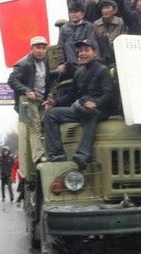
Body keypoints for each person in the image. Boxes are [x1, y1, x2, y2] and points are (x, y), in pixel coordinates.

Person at [43, 39, 115, 170]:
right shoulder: (79, 72)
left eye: (86, 50)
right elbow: (71, 96)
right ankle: (57, 154)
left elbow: (109, 94)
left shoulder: (103, 70)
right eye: (80, 51)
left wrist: (96, 103)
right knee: (50, 115)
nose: (82, 53)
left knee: (89, 113)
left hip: (99, 109)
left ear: (95, 53)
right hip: (81, 107)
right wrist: (55, 102)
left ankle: (83, 154)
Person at [8, 35, 55, 163]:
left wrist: (59, 71)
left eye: (43, 48)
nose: (41, 50)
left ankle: (50, 152)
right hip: (26, 101)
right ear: (32, 48)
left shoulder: (45, 61)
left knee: (46, 125)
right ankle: (38, 157)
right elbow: (11, 80)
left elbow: (45, 76)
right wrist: (27, 91)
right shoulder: (23, 64)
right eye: (38, 47)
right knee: (34, 127)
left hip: (40, 101)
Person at [57, 4, 95, 74]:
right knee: (68, 44)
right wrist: (61, 63)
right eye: (71, 12)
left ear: (82, 14)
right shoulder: (63, 28)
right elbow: (60, 46)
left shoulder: (89, 26)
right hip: (70, 62)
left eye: (76, 12)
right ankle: (76, 70)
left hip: (85, 57)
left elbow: (91, 42)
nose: (73, 14)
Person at [92, 0, 127, 67]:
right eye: (103, 8)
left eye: (108, 8)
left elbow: (124, 39)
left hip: (118, 52)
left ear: (114, 10)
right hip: (102, 55)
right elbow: (94, 41)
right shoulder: (96, 24)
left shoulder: (121, 22)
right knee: (102, 39)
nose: (105, 11)